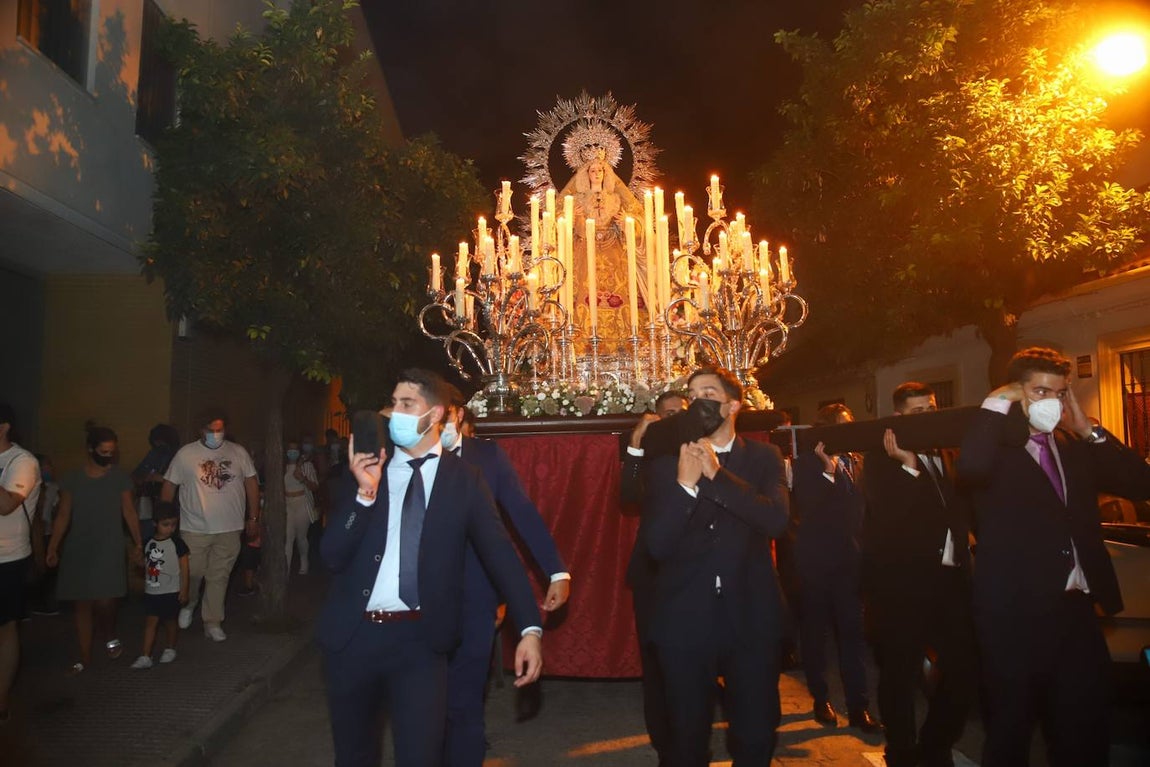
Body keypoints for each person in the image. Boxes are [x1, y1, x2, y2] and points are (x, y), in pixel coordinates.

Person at [317, 368, 544, 767]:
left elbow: (501, 555)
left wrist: (529, 628)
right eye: (393, 403)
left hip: (420, 644)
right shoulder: (369, 468)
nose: (395, 412)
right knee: (354, 757)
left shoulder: (465, 480)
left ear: (435, 414)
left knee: (422, 756)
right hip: (354, 638)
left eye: (407, 404)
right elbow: (332, 555)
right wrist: (364, 496)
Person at [956, 347, 1150, 767]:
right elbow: (969, 468)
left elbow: (1140, 482)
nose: (1051, 402)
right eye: (1040, 391)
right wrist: (996, 401)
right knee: (1010, 730)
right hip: (1014, 614)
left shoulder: (1073, 445)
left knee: (1084, 726)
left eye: (1060, 393)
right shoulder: (992, 447)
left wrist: (1088, 430)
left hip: (1076, 610)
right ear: (1016, 393)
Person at [641, 367, 790, 766]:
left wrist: (717, 476)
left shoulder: (763, 457)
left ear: (733, 405)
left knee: (756, 733)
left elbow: (775, 520)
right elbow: (656, 545)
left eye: (708, 392)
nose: (698, 400)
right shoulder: (666, 462)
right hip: (685, 618)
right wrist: (686, 486)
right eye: (692, 394)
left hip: (751, 615)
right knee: (686, 739)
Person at [440, 390, 570, 767]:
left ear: (458, 415)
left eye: (442, 415)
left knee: (464, 702)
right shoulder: (407, 460)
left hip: (474, 597)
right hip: (419, 603)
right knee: (423, 706)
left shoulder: (487, 458)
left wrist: (556, 571)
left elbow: (522, 514)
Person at [863, 383, 976, 767]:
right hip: (904, 586)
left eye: (930, 408)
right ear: (898, 418)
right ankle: (901, 749)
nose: (927, 416)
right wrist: (908, 466)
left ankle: (935, 743)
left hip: (950, 581)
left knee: (964, 670)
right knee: (900, 671)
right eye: (916, 412)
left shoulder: (946, 453)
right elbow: (888, 518)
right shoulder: (880, 458)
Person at [791, 403, 879, 732]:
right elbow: (810, 506)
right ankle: (819, 698)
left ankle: (859, 707)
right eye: (842, 426)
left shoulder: (858, 461)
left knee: (852, 634)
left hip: (850, 562)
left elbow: (863, 509)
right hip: (816, 561)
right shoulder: (805, 464)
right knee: (816, 633)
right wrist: (829, 472)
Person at [619, 389, 687, 766]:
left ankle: (691, 741)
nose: (675, 419)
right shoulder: (646, 457)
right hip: (654, 577)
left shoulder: (709, 452)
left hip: (697, 575)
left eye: (682, 413)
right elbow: (628, 494)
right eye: (668, 414)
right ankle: (666, 748)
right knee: (657, 666)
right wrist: (636, 443)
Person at [46, 425, 142, 674]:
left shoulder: (120, 478)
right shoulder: (73, 478)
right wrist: (53, 546)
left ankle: (109, 634)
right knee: (82, 603)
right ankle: (85, 655)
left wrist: (138, 542)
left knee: (106, 598)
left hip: (109, 544)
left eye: (112, 451)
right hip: (79, 544)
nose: (108, 456)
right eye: (104, 451)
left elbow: (129, 511)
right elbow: (64, 514)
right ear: (91, 449)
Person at [161, 409, 259, 642]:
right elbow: (168, 486)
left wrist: (253, 518)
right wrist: (164, 518)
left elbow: (251, 484)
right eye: (211, 430)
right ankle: (190, 601)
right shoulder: (186, 454)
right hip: (194, 527)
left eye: (220, 429)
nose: (216, 434)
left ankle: (212, 621)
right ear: (201, 430)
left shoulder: (238, 452)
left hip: (229, 527)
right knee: (193, 572)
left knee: (219, 576)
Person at [557, 149, 647, 350]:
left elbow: (640, 220)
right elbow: (556, 223)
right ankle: (582, 343)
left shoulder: (616, 198)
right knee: (584, 292)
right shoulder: (577, 199)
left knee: (623, 294)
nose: (596, 173)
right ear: (585, 174)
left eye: (600, 170)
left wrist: (628, 224)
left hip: (614, 250)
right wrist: (569, 220)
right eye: (592, 170)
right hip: (583, 251)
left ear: (606, 173)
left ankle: (624, 343)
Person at [0, 403, 42, 722]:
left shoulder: (22, 461)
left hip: (7, 557)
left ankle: (1, 699)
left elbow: (7, 505)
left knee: (5, 626)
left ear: (4, 427)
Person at [131, 502, 189, 669]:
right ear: (155, 523)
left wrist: (184, 589)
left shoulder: (177, 543)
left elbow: (184, 567)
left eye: (173, 524)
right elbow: (145, 564)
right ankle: (146, 655)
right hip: (152, 591)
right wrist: (138, 561)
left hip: (171, 591)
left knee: (170, 621)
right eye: (166, 524)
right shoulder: (148, 542)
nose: (170, 528)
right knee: (151, 622)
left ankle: (170, 648)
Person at [131, 423, 180, 545]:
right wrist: (147, 478)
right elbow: (136, 475)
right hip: (150, 503)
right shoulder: (154, 454)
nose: (160, 447)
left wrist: (163, 479)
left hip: (171, 505)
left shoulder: (178, 456)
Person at [284, 439, 319, 575]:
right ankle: (285, 570)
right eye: (290, 450)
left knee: (301, 537)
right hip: (288, 504)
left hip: (302, 503)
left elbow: (315, 486)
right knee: (288, 538)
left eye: (295, 450)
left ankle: (304, 560)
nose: (292, 452)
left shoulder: (307, 466)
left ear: (299, 452)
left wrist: (303, 479)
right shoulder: (282, 467)